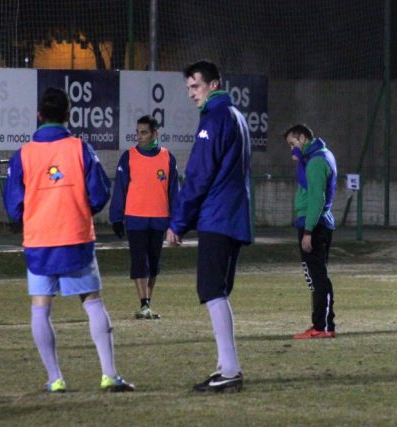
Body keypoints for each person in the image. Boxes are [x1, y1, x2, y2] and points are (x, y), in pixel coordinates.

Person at [3, 87, 134, 393]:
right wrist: (77, 208)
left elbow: (13, 207)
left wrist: (36, 213)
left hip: (39, 242)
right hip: (75, 238)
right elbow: (100, 193)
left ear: (39, 117)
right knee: (92, 302)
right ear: (68, 115)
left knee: (40, 307)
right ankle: (109, 374)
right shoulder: (81, 148)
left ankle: (55, 379)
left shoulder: (23, 154)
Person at [166, 60, 251, 393]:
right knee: (218, 291)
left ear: (214, 84)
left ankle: (230, 370)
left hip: (217, 216)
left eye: (195, 87)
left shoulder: (214, 119)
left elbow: (199, 175)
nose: (191, 94)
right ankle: (225, 366)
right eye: (188, 88)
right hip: (232, 216)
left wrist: (179, 222)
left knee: (212, 290)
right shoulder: (237, 117)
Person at [109, 115, 179, 320]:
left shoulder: (167, 158)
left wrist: (177, 221)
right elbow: (120, 189)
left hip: (159, 218)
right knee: (140, 261)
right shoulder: (128, 157)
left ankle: (148, 301)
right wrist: (116, 217)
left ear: (155, 133)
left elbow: (174, 192)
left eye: (144, 132)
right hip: (135, 218)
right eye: (137, 132)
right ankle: (144, 302)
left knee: (154, 263)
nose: (139, 136)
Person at [284, 124, 338, 339]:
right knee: (318, 276)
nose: (291, 148)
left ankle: (321, 326)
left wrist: (308, 231)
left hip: (313, 223)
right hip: (317, 222)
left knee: (316, 277)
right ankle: (325, 324)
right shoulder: (318, 156)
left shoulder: (316, 161)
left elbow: (317, 197)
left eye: (293, 143)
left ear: (304, 138)